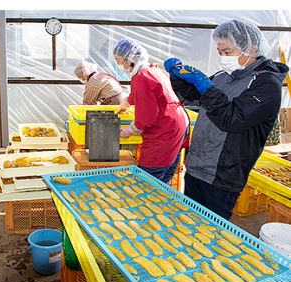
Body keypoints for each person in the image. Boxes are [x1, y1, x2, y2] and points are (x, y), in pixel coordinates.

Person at [164, 20, 289, 220]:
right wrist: (178, 77)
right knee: (190, 221)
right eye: (220, 52)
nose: (223, 57)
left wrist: (207, 87)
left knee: (212, 232)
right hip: (197, 166)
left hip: (222, 176)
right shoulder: (224, 76)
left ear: (251, 48)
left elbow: (232, 119)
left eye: (228, 52)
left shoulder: (266, 84)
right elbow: (193, 98)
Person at [114, 39, 189, 184]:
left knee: (147, 179)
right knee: (163, 179)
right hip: (178, 125)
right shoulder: (152, 70)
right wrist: (128, 101)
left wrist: (129, 130)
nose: (118, 65)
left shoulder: (141, 77)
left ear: (129, 58)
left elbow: (146, 119)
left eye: (119, 60)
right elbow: (152, 93)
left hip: (165, 130)